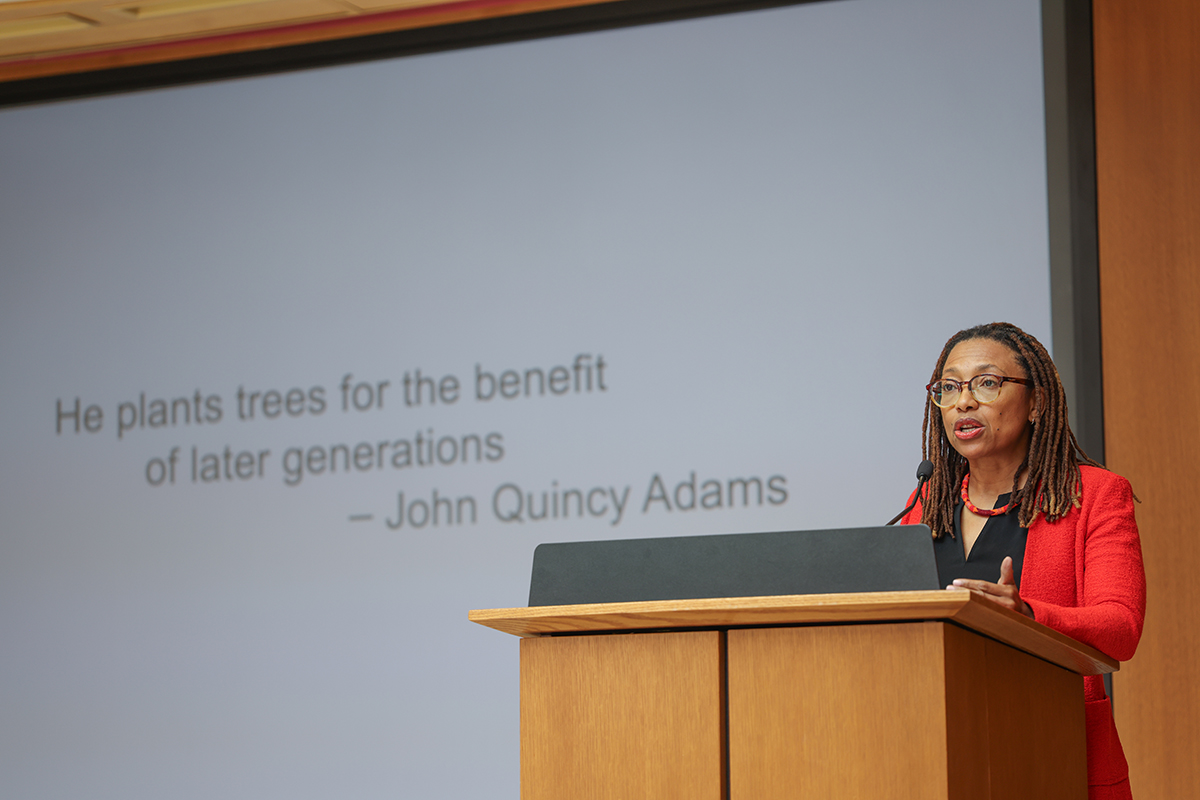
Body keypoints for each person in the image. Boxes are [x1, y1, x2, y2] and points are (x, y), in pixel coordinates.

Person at [900, 322, 1145, 800]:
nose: (964, 402)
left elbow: (1120, 626)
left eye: (986, 383)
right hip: (936, 748)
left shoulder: (1093, 495)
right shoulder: (925, 502)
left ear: (1036, 402)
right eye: (949, 388)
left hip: (1051, 747)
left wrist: (1026, 615)